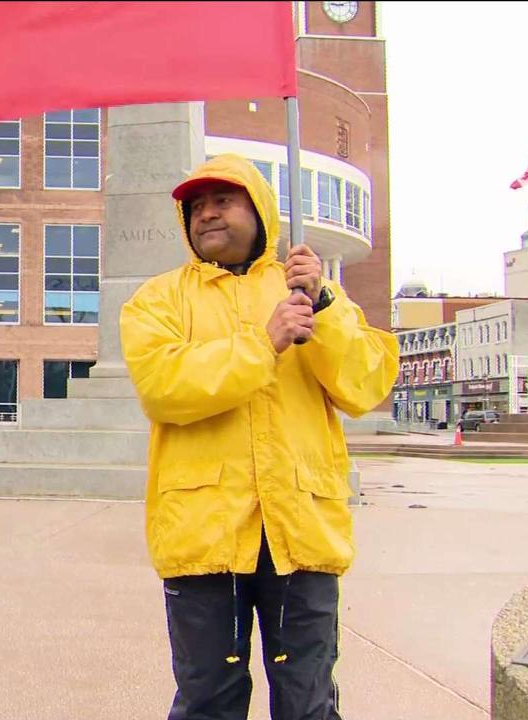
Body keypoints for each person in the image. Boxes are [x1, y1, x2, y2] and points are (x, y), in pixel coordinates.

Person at [120, 154, 397, 720]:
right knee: (208, 702)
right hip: (205, 534)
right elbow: (165, 386)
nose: (206, 215)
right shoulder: (158, 300)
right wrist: (262, 342)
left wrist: (323, 309)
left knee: (308, 701)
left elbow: (365, 384)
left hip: (301, 529)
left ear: (260, 209)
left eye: (223, 200)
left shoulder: (308, 288)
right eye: (196, 206)